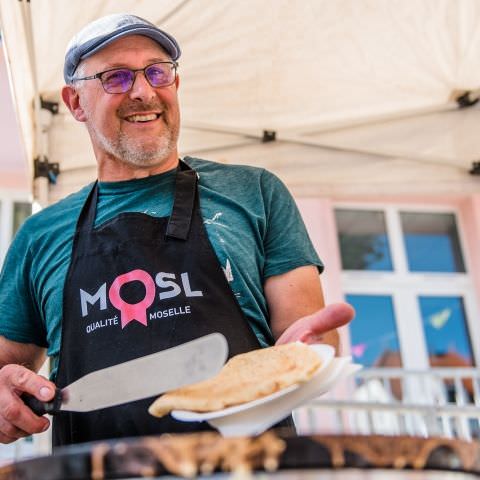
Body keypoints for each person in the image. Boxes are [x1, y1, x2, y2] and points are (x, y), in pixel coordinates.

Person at [0, 14, 354, 446]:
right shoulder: (40, 235)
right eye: (116, 78)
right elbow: (5, 371)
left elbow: (308, 333)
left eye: (157, 72)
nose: (144, 91)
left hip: (248, 470)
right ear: (75, 102)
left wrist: (310, 353)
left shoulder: (254, 192)